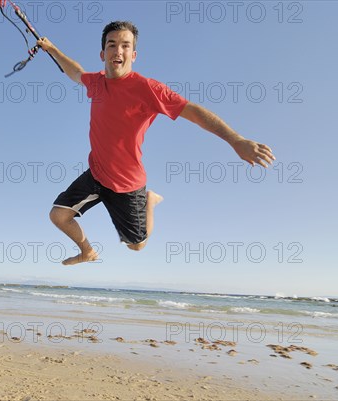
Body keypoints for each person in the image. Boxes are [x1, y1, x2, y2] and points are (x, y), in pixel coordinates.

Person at [36, 21, 275, 266]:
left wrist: (235, 139)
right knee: (59, 216)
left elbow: (193, 111)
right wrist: (52, 48)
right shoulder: (96, 82)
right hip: (97, 173)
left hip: (128, 184)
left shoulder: (148, 89)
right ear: (103, 53)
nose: (118, 51)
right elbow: (75, 72)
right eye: (112, 45)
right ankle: (87, 251)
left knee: (136, 245)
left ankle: (150, 201)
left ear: (134, 54)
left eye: (125, 46)